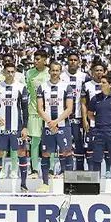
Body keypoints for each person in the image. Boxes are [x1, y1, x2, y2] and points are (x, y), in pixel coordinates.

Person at [0, 62, 30, 193]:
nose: (10, 74)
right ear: (4, 73)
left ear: (15, 73)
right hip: (1, 129)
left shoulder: (21, 87)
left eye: (13, 72)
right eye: (8, 72)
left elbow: (25, 109)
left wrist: (25, 127)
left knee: (21, 153)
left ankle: (23, 185)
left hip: (16, 128)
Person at [36, 62, 74, 191]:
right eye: (53, 70)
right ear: (49, 71)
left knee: (66, 152)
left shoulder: (66, 87)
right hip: (48, 126)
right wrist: (50, 122)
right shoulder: (42, 87)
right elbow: (40, 108)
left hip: (63, 125)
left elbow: (69, 108)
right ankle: (45, 184)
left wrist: (56, 121)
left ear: (60, 72)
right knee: (46, 153)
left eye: (57, 70)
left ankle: (68, 184)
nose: (54, 73)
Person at [87, 73, 111, 177]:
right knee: (96, 158)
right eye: (101, 82)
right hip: (99, 131)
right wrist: (99, 120)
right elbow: (90, 114)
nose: (101, 84)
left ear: (110, 84)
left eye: (104, 83)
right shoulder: (95, 98)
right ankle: (96, 182)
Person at [25, 49, 51, 180]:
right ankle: (34, 169)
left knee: (50, 141)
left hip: (49, 112)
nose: (35, 61)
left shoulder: (50, 72)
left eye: (38, 59)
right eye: (34, 59)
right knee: (35, 141)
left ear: (45, 60)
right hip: (34, 111)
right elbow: (27, 91)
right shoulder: (29, 73)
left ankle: (50, 169)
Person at [61, 53, 89, 171]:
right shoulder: (61, 76)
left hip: (78, 116)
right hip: (63, 117)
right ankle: (64, 169)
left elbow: (87, 97)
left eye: (75, 60)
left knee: (79, 142)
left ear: (79, 62)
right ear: (67, 61)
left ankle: (80, 168)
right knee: (63, 142)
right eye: (71, 59)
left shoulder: (84, 77)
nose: (73, 62)